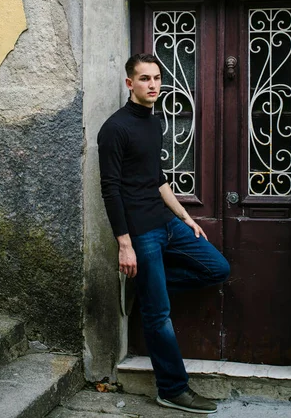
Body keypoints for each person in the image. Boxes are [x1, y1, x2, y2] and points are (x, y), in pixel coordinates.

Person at [97, 53, 230, 414]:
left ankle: (146, 287)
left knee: (217, 268)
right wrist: (125, 245)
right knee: (159, 316)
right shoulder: (114, 129)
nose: (153, 84)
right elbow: (110, 189)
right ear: (130, 84)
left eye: (156, 78)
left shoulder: (154, 124)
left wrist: (185, 217)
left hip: (166, 224)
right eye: (144, 79)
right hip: (141, 233)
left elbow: (158, 180)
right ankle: (172, 389)